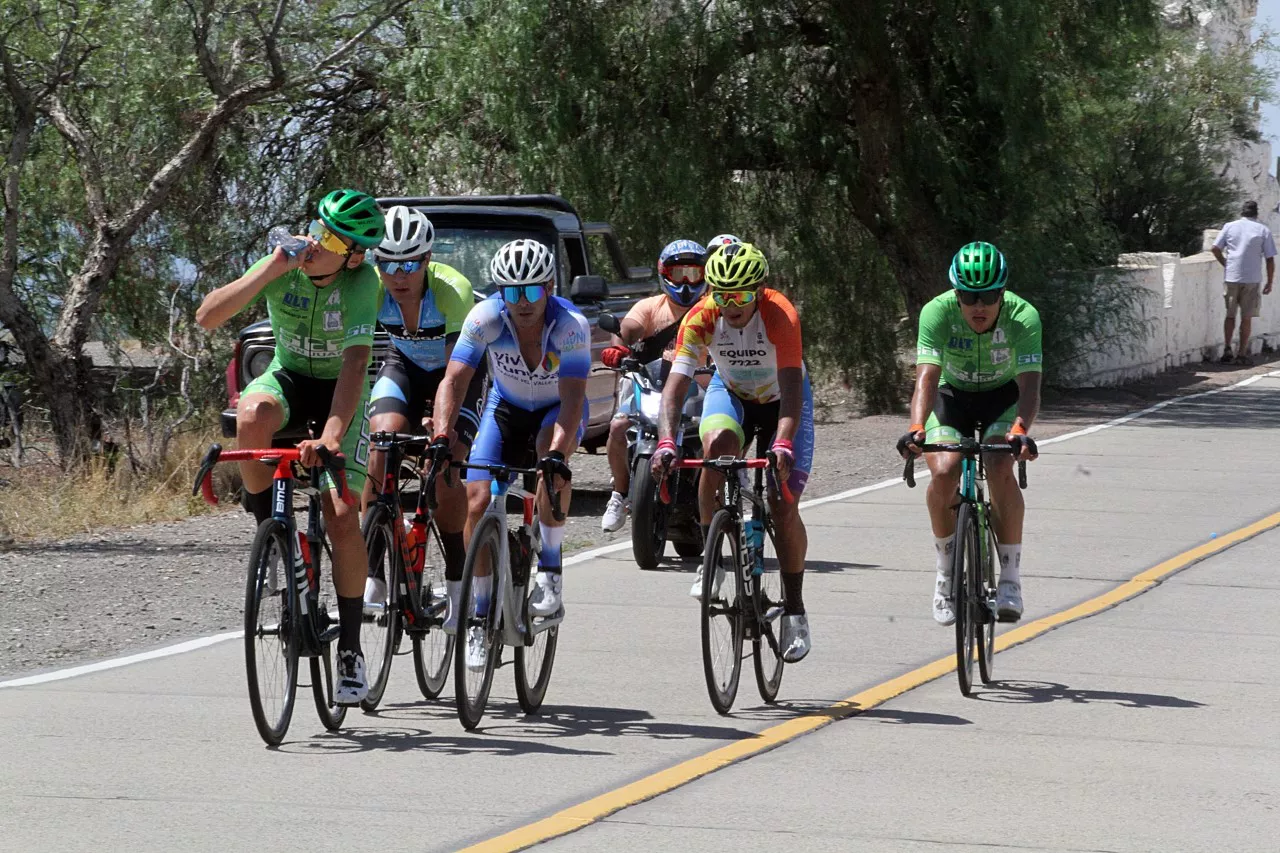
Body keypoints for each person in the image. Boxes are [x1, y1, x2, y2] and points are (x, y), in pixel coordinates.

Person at [196, 189, 385, 704]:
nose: (315, 242)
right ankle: (272, 533)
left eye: (330, 237)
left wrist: (330, 434)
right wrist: (271, 268)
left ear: (354, 254)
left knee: (343, 514)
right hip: (289, 379)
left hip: (339, 391)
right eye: (315, 227)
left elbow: (353, 365)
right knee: (251, 414)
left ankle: (350, 650)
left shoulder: (362, 281)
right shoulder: (285, 260)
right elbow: (207, 317)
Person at [430, 238, 591, 671]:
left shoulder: (570, 326)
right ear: (501, 292)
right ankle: (481, 616)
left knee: (548, 464)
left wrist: (558, 454)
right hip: (505, 409)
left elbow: (574, 402)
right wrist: (443, 435)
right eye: (512, 292)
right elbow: (454, 382)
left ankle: (551, 572)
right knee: (477, 500)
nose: (522, 302)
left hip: (557, 410)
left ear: (550, 286)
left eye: (533, 291)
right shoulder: (485, 318)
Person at [651, 242, 816, 663]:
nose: (731, 305)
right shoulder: (703, 315)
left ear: (758, 291)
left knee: (782, 504)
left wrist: (782, 442)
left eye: (741, 295)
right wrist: (666, 441)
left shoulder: (781, 314)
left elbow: (793, 388)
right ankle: (714, 560)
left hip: (783, 399)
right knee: (715, 451)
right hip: (735, 394)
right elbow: (675, 387)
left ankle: (795, 609)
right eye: (722, 295)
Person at [896, 241, 1042, 625]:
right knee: (944, 471)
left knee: (997, 463)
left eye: (989, 296)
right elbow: (926, 380)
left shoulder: (1023, 316)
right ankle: (945, 574)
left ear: (1003, 293)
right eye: (969, 296)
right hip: (951, 395)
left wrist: (1021, 431)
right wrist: (915, 428)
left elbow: (1029, 387)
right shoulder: (937, 312)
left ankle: (1010, 578)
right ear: (955, 293)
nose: (979, 306)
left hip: (1003, 398)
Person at [361, 205, 487, 632]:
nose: (399, 275)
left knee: (444, 463)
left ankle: (456, 578)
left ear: (428, 260)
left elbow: (455, 374)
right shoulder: (373, 288)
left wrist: (440, 427)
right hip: (405, 367)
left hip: (458, 373)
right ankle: (373, 574)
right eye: (388, 264)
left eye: (410, 263)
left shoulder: (453, 290)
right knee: (380, 448)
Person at [599, 238, 710, 532]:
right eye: (678, 274)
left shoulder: (713, 309)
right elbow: (626, 330)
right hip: (650, 386)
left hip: (698, 388)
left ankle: (728, 487)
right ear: (664, 275)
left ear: (705, 276)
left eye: (693, 274)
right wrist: (618, 348)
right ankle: (620, 493)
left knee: (718, 433)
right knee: (618, 426)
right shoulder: (650, 307)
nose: (685, 283)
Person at [1211, 200, 1276, 365]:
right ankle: (1241, 353)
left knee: (1230, 315)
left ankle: (1227, 349)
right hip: (1252, 280)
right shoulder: (1263, 230)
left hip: (1232, 277)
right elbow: (1269, 259)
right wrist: (1270, 282)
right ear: (1256, 213)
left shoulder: (1229, 226)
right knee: (1246, 317)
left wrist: (1226, 264)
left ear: (1242, 212)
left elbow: (1215, 248)